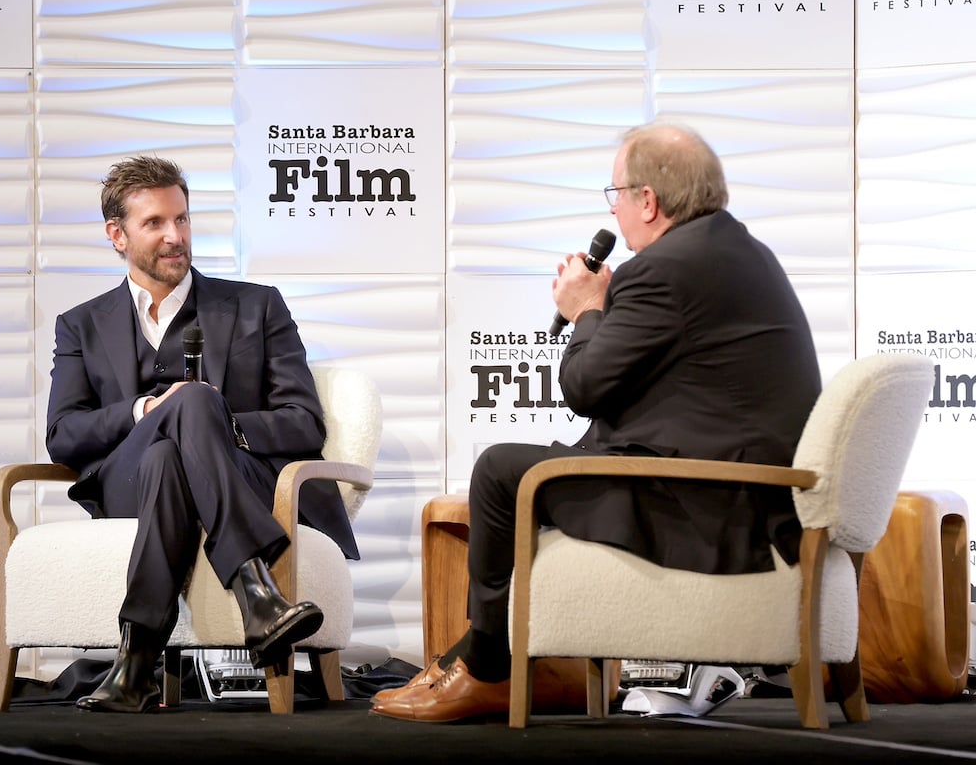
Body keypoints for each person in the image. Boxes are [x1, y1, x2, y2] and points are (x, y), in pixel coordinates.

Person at [370, 121, 822, 723]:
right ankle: (503, 656)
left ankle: (486, 666)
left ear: (647, 201)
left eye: (616, 194)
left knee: (500, 470)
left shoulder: (662, 270)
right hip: (750, 492)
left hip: (715, 505)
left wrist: (586, 310)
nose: (615, 209)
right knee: (542, 462)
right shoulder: (738, 251)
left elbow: (584, 387)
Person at [46, 154, 359, 713]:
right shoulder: (81, 324)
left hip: (235, 475)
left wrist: (209, 422)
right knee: (171, 425)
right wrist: (145, 408)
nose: (176, 236)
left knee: (177, 444)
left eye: (183, 219)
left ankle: (136, 659)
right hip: (126, 482)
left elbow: (303, 421)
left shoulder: (255, 306)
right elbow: (64, 436)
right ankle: (257, 595)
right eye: (156, 224)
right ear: (117, 235)